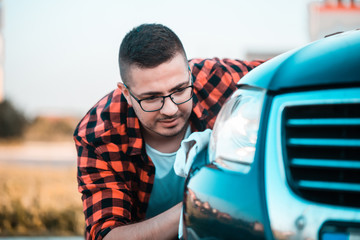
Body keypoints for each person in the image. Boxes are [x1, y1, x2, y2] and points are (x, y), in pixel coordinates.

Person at [74, 23, 264, 240]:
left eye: (180, 89)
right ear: (126, 93)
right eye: (151, 98)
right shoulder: (97, 134)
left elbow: (295, 74)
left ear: (190, 74)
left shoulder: (218, 77)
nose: (170, 109)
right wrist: (198, 205)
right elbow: (107, 235)